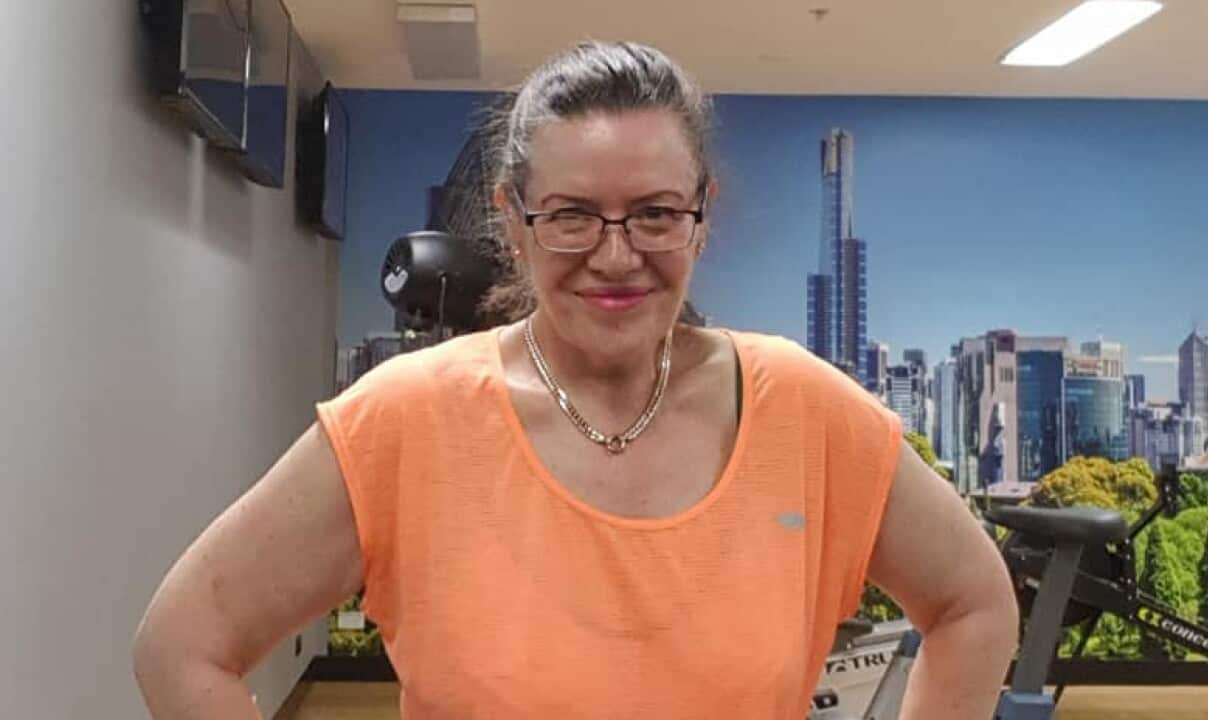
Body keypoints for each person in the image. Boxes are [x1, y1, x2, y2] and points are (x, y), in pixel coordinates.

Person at [132, 41, 1018, 719]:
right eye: (572, 217)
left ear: (700, 218)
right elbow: (182, 644)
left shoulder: (804, 411)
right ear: (512, 223)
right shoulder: (408, 420)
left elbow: (972, 602)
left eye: (655, 214)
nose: (617, 254)